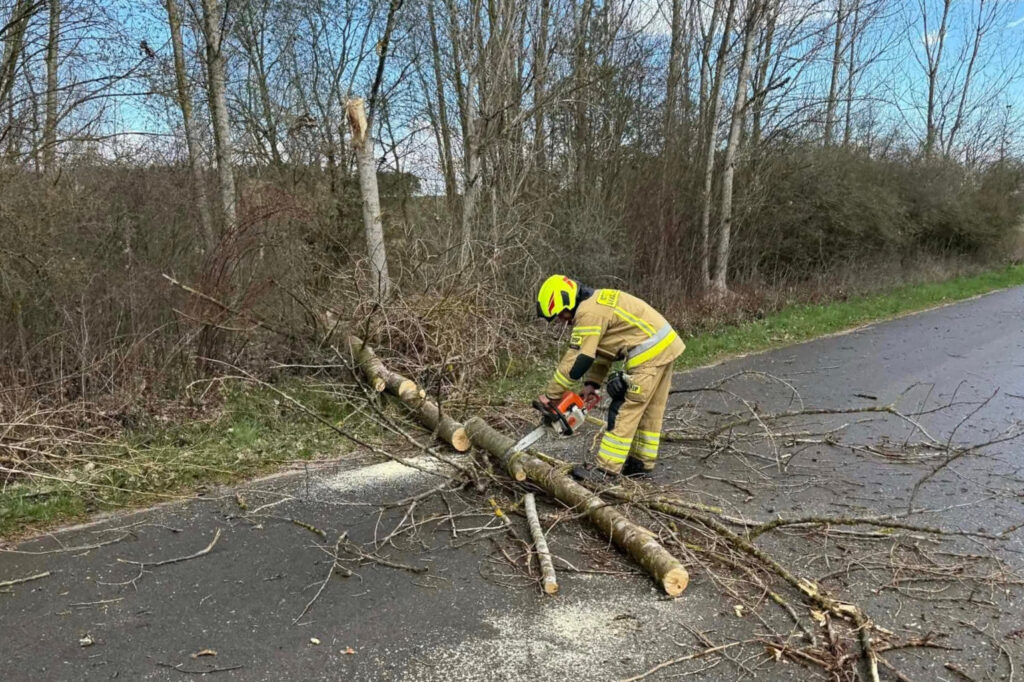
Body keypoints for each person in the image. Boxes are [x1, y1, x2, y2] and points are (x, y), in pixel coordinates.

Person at [535, 275, 685, 481]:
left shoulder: (588, 313)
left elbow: (578, 359)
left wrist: (552, 395)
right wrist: (592, 384)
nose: (562, 321)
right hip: (664, 348)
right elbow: (602, 352)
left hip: (648, 355)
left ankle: (606, 470)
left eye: (560, 315)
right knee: (651, 408)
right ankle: (641, 462)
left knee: (624, 406)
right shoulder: (596, 304)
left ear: (566, 301)